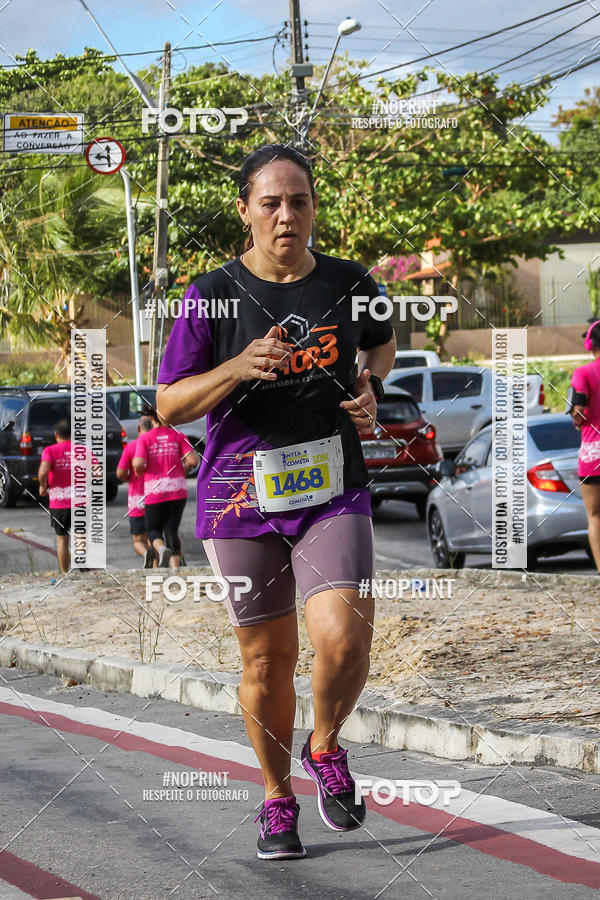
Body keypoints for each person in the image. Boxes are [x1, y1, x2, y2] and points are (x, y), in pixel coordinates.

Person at [156, 144, 396, 860]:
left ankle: (323, 746)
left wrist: (368, 385)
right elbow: (169, 402)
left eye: (299, 201)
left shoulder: (352, 283)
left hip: (332, 486)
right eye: (271, 202)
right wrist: (235, 366)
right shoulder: (211, 294)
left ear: (314, 207)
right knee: (265, 662)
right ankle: (275, 798)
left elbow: (380, 345)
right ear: (245, 210)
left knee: (346, 632)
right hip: (239, 497)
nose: (287, 215)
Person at [132, 407, 199, 569]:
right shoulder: (178, 436)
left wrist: (140, 470)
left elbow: (138, 463)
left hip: (155, 491)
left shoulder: (145, 438)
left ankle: (162, 550)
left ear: (152, 419)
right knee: (172, 528)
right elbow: (193, 460)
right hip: (178, 490)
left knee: (153, 528)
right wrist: (182, 471)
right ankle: (175, 568)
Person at [570, 320, 600, 570]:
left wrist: (576, 419)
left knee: (595, 516)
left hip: (594, 456)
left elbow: (579, 411)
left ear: (590, 344)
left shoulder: (583, 373)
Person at [117, 415, 154, 568]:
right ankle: (158, 568)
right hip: (156, 498)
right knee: (155, 536)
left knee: (138, 540)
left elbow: (120, 473)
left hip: (137, 500)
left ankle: (145, 554)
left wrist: (127, 477)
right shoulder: (157, 444)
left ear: (139, 429)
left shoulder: (132, 447)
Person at [38, 418, 73, 573]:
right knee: (81, 536)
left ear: (56, 434)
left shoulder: (50, 451)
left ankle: (65, 573)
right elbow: (97, 471)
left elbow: (44, 471)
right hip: (80, 501)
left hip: (59, 503)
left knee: (62, 540)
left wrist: (43, 486)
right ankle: (84, 569)